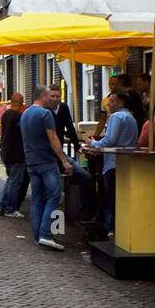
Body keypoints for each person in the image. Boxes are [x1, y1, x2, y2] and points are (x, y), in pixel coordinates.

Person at [20, 84, 74, 251]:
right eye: (50, 96)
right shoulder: (45, 114)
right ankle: (46, 234)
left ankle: (38, 236)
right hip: (46, 161)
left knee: (37, 198)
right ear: (43, 96)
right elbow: (53, 139)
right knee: (55, 196)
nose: (53, 99)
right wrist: (64, 161)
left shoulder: (25, 113)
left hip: (31, 161)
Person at [87, 90, 139, 235]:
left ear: (121, 101)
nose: (108, 104)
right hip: (127, 163)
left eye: (111, 100)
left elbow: (110, 140)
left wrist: (93, 143)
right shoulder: (130, 117)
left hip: (113, 163)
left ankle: (110, 230)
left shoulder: (117, 117)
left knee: (111, 199)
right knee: (121, 198)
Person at [48, 84, 96, 221]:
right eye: (53, 96)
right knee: (52, 189)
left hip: (61, 155)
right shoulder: (43, 110)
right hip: (48, 156)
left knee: (86, 177)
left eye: (58, 96)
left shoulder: (63, 108)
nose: (56, 99)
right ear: (47, 96)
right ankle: (54, 223)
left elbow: (69, 127)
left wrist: (77, 146)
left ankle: (84, 213)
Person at [0, 93, 29, 218]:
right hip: (17, 154)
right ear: (22, 104)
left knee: (10, 180)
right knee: (15, 182)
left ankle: (0, 204)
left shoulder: (5, 115)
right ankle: (10, 209)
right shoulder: (19, 117)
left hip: (5, 152)